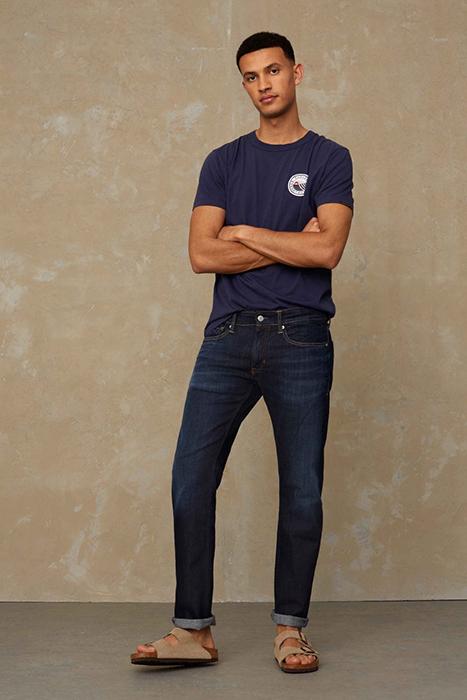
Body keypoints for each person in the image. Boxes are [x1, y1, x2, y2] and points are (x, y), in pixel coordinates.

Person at [131, 30, 354, 673]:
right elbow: (203, 255)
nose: (264, 85)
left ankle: (290, 631)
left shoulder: (330, 157)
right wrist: (289, 240)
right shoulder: (222, 161)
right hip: (227, 337)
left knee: (302, 489)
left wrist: (247, 231)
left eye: (273, 71)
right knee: (190, 481)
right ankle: (193, 632)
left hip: (301, 337)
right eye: (251, 76)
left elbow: (328, 249)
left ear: (296, 73)